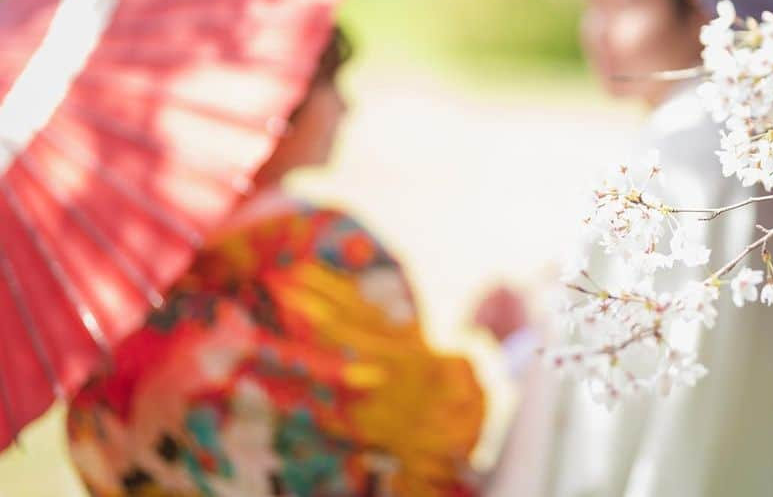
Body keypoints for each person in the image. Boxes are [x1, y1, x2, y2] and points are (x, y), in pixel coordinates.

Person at [489, 0, 773, 497]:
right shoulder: (757, 140)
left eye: (621, 4)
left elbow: (619, 392)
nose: (596, 31)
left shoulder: (687, 156)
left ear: (698, 3)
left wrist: (533, 337)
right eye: (592, 4)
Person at [66, 26, 485, 497]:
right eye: (330, 85)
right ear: (285, 101)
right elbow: (422, 442)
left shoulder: (109, 278)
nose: (346, 108)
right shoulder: (332, 253)